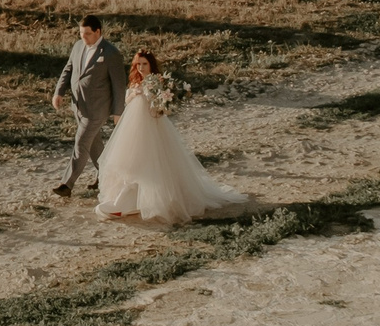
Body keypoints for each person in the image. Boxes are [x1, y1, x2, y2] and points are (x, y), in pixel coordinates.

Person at [92, 49, 254, 225]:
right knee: (133, 166)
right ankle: (127, 203)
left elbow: (161, 110)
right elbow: (128, 101)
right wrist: (134, 93)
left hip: (152, 129)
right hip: (133, 130)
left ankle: (124, 205)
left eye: (144, 64)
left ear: (151, 65)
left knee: (148, 166)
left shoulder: (158, 83)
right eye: (138, 64)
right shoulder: (136, 83)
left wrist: (156, 103)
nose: (141, 67)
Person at [49, 15, 125, 197]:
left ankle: (67, 184)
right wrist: (59, 92)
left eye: (87, 34)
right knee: (94, 145)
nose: (83, 37)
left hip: (98, 109)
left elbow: (119, 84)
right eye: (81, 33)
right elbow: (68, 69)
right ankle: (106, 175)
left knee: (81, 143)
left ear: (98, 32)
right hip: (79, 106)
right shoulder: (77, 46)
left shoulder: (110, 53)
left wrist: (118, 111)